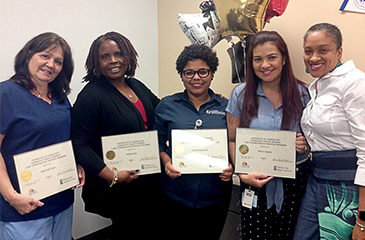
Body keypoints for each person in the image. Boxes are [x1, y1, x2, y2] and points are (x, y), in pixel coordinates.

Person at [71, 31, 161, 239]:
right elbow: (80, 144)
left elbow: (163, 108)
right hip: (119, 186)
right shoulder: (91, 95)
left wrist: (199, 100)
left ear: (128, 56)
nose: (113, 61)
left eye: (118, 54)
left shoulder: (135, 85)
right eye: (105, 56)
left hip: (147, 180)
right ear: (96, 62)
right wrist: (111, 175)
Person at [226, 31, 311, 240]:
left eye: (271, 57)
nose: (265, 65)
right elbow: (232, 139)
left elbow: (314, 137)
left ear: (283, 59)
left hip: (295, 181)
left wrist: (306, 144)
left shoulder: (304, 93)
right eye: (257, 59)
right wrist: (243, 174)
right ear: (251, 63)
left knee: (291, 235)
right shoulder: (240, 94)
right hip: (254, 180)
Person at [0, 32, 85, 240]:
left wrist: (76, 164)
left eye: (58, 61)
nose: (51, 64)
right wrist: (12, 197)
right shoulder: (6, 94)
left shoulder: (60, 99)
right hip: (23, 207)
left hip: (61, 201)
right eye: (45, 56)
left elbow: (62, 139)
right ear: (29, 55)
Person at [293, 23, 365, 240]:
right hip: (317, 180)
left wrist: (362, 219)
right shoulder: (316, 86)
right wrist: (308, 143)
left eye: (323, 50)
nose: (314, 57)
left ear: (339, 52)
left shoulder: (354, 83)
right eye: (308, 51)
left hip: (347, 188)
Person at [154, 44, 233, 240]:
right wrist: (166, 162)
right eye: (189, 72)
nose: (196, 78)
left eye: (203, 72)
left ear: (212, 73)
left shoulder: (228, 107)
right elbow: (156, 142)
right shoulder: (167, 106)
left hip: (215, 196)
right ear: (181, 75)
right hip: (176, 193)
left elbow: (235, 143)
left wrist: (233, 166)